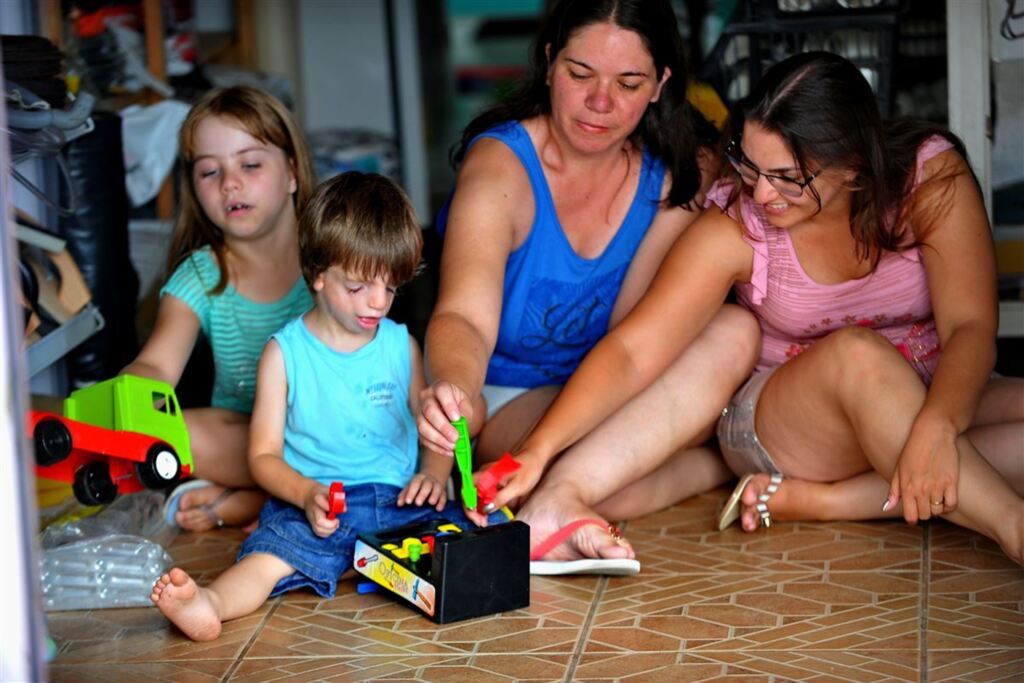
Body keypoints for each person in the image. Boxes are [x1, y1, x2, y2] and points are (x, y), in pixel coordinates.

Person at [500, 51, 1023, 565]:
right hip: (789, 423)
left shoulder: (928, 179)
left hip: (924, 390)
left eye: (788, 176)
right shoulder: (736, 223)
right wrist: (541, 449)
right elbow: (635, 350)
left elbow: (972, 327)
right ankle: (1013, 528)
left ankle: (829, 502)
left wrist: (938, 422)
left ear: (855, 168)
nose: (763, 192)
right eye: (750, 164)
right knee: (858, 355)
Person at [417, 0, 760, 563]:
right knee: (609, 466)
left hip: (617, 379)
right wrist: (453, 388)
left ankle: (562, 494)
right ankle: (702, 465)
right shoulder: (500, 168)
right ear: (550, 62)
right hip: (514, 397)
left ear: (660, 85)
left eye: (628, 83)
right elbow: (464, 318)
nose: (600, 103)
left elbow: (632, 344)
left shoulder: (679, 174)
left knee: (735, 330)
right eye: (580, 75)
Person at [151, 172, 510, 641]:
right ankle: (209, 603)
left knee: (488, 526)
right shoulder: (285, 354)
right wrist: (304, 494)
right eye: (360, 287)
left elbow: (436, 429)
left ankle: (359, 563)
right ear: (318, 274)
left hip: (403, 503)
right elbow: (261, 456)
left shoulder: (403, 346)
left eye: (391, 288)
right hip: (319, 508)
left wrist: (434, 475)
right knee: (269, 556)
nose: (378, 303)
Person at [121, 86, 315, 531]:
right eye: (210, 172)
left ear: (291, 172)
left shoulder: (330, 255)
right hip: (246, 442)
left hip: (330, 433)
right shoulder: (200, 276)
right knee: (174, 431)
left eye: (249, 164)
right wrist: (131, 393)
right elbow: (155, 363)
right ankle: (272, 496)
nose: (230, 183)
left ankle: (257, 500)